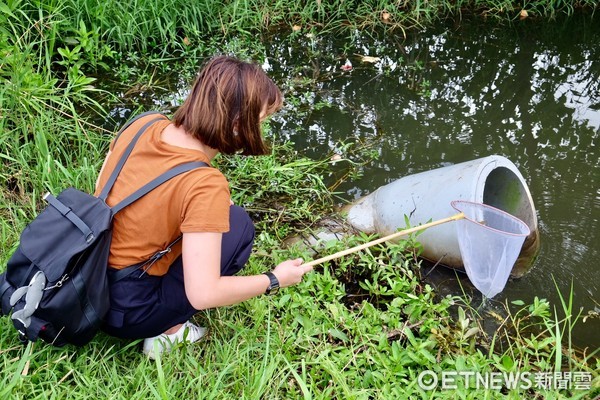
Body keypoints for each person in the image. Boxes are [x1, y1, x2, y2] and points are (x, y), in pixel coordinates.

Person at [94, 56, 313, 358]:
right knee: (238, 228)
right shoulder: (205, 184)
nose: (260, 131)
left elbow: (107, 188)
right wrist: (275, 280)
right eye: (260, 122)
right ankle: (167, 335)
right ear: (237, 125)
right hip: (125, 313)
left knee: (226, 216)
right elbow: (204, 293)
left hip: (89, 274)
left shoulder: (145, 123)